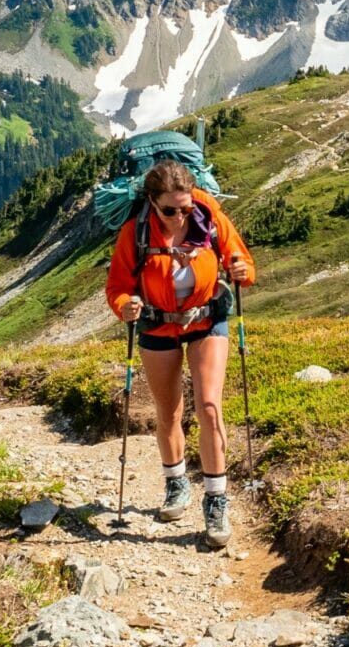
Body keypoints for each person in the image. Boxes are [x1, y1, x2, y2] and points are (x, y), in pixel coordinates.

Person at [105, 160, 256, 548]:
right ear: (152, 203)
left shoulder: (210, 218)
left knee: (209, 406)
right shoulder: (134, 232)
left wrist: (241, 271)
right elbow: (118, 286)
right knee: (169, 410)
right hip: (157, 325)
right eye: (170, 210)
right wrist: (125, 306)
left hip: (207, 320)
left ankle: (216, 499)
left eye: (185, 208)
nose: (179, 216)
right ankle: (176, 484)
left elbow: (243, 263)